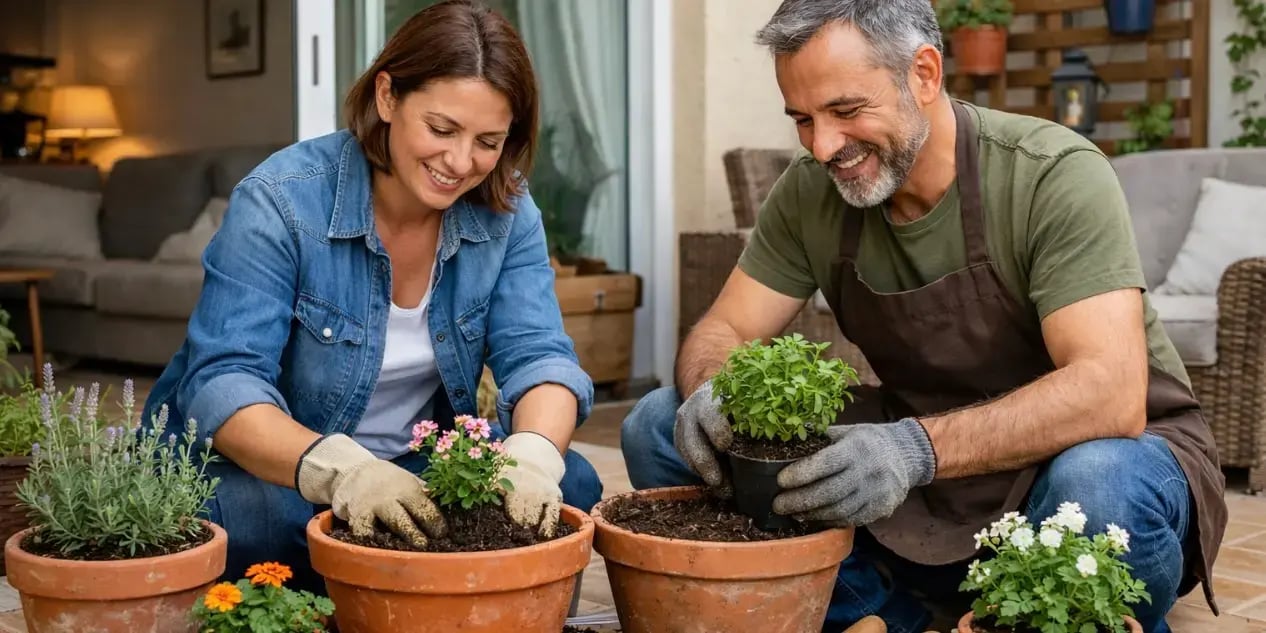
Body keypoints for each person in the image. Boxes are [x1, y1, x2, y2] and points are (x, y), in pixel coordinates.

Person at [620, 1, 1226, 632]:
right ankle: (879, 617)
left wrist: (912, 451)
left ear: (925, 75)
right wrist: (716, 386)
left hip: (1087, 464)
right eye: (802, 119)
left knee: (1100, 481)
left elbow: (1110, 394)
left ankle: (1017, 610)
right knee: (661, 425)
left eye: (847, 111)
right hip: (922, 470)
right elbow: (724, 329)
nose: (824, 146)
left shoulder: (1051, 174)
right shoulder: (810, 191)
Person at [144, 0, 602, 593]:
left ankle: (372, 567)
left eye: (488, 141)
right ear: (387, 97)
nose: (461, 162)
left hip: (413, 470)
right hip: (281, 473)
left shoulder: (506, 211)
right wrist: (343, 473)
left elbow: (538, 354)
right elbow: (221, 383)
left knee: (576, 483)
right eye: (441, 129)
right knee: (241, 516)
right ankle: (400, 567)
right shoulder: (281, 201)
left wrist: (534, 456)